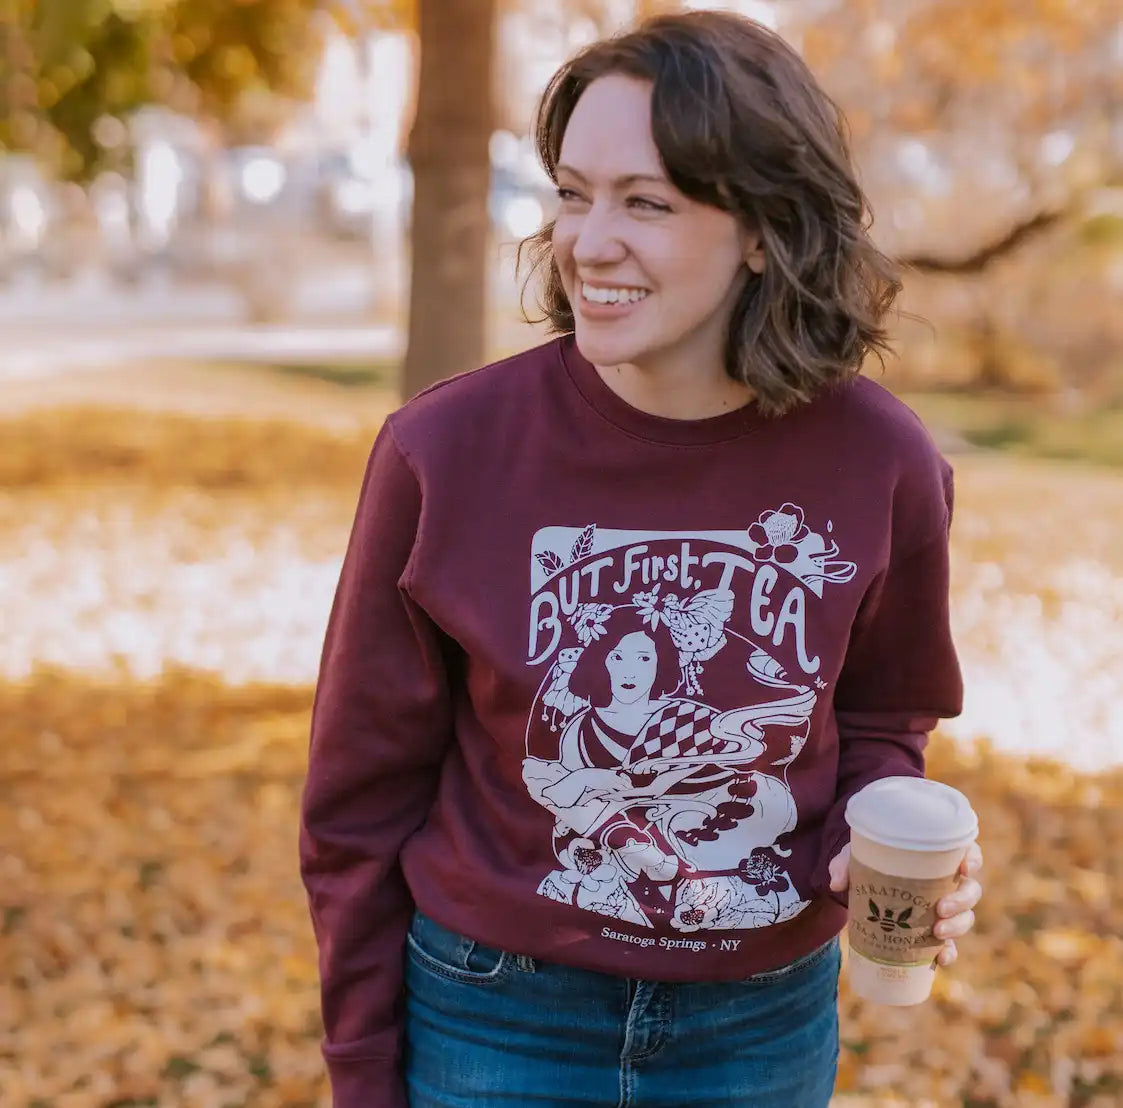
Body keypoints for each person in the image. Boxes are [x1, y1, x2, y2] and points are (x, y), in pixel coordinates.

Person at [300, 10, 984, 1108]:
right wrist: (363, 1068)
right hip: (493, 1014)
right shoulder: (442, 452)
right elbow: (355, 803)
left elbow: (879, 722)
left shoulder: (882, 462)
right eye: (574, 192)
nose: (588, 241)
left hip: (759, 1026)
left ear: (764, 228)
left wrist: (883, 834)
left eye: (647, 203)